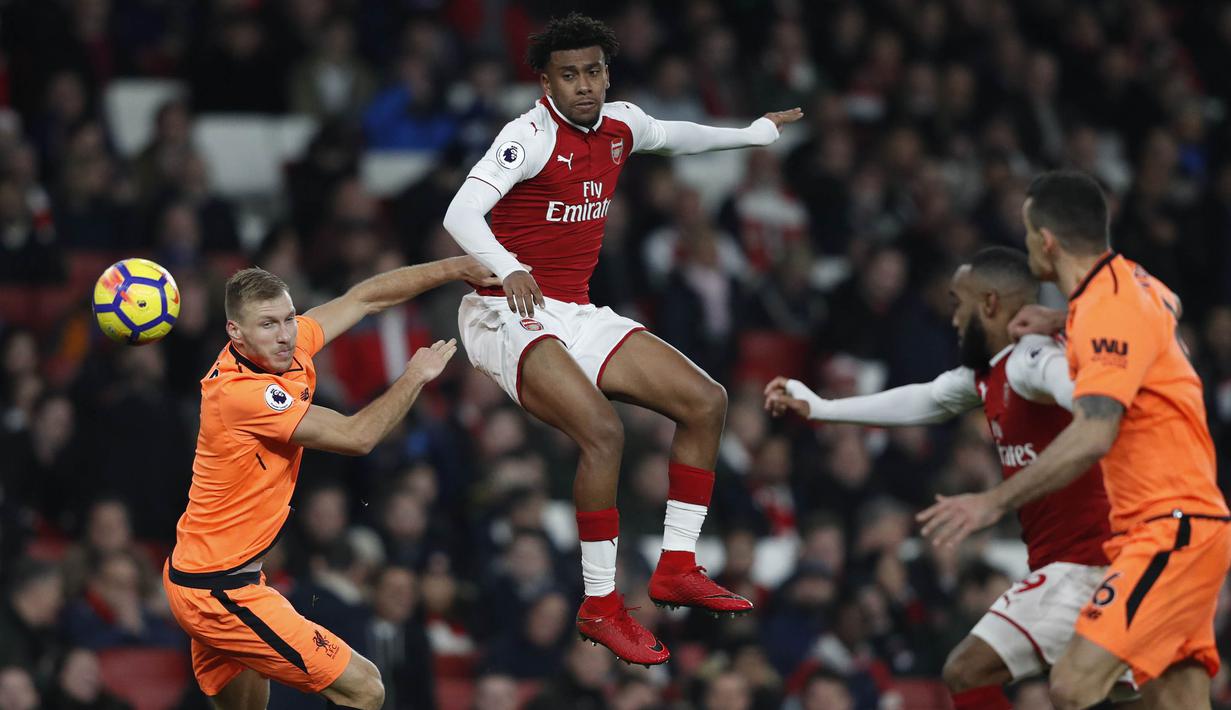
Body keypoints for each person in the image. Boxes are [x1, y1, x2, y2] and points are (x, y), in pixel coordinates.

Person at [442, 11, 802, 666]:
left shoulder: (621, 125)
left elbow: (673, 135)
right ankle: (601, 604)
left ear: (606, 73)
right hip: (504, 310)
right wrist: (507, 265)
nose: (583, 85)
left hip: (573, 311)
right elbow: (460, 210)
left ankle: (675, 565)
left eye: (592, 71)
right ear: (546, 82)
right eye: (568, 74)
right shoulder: (526, 136)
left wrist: (751, 134)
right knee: (602, 433)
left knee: (706, 400)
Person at [765, 247, 1132, 709]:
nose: (954, 319)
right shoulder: (991, 372)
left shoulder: (1035, 358)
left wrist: (994, 499)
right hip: (1073, 563)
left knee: (969, 671)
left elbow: (1089, 406)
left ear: (991, 305)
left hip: (1091, 563)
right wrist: (822, 408)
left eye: (960, 304)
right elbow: (927, 398)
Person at [917, 171, 1231, 709]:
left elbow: (1093, 434)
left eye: (1026, 230)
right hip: (1177, 528)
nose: (1025, 242)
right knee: (1177, 702)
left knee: (1071, 685)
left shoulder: (1107, 307)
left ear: (1047, 242)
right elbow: (1170, 305)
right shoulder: (1126, 286)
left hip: (1171, 528)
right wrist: (1066, 318)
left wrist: (993, 501)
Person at [161, 256, 498, 708]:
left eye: (288, 319)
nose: (284, 335)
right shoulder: (242, 395)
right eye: (267, 325)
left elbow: (364, 298)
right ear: (234, 333)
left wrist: (455, 267)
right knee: (366, 688)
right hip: (218, 591)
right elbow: (357, 436)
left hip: (212, 577)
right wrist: (415, 375)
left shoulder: (286, 347)